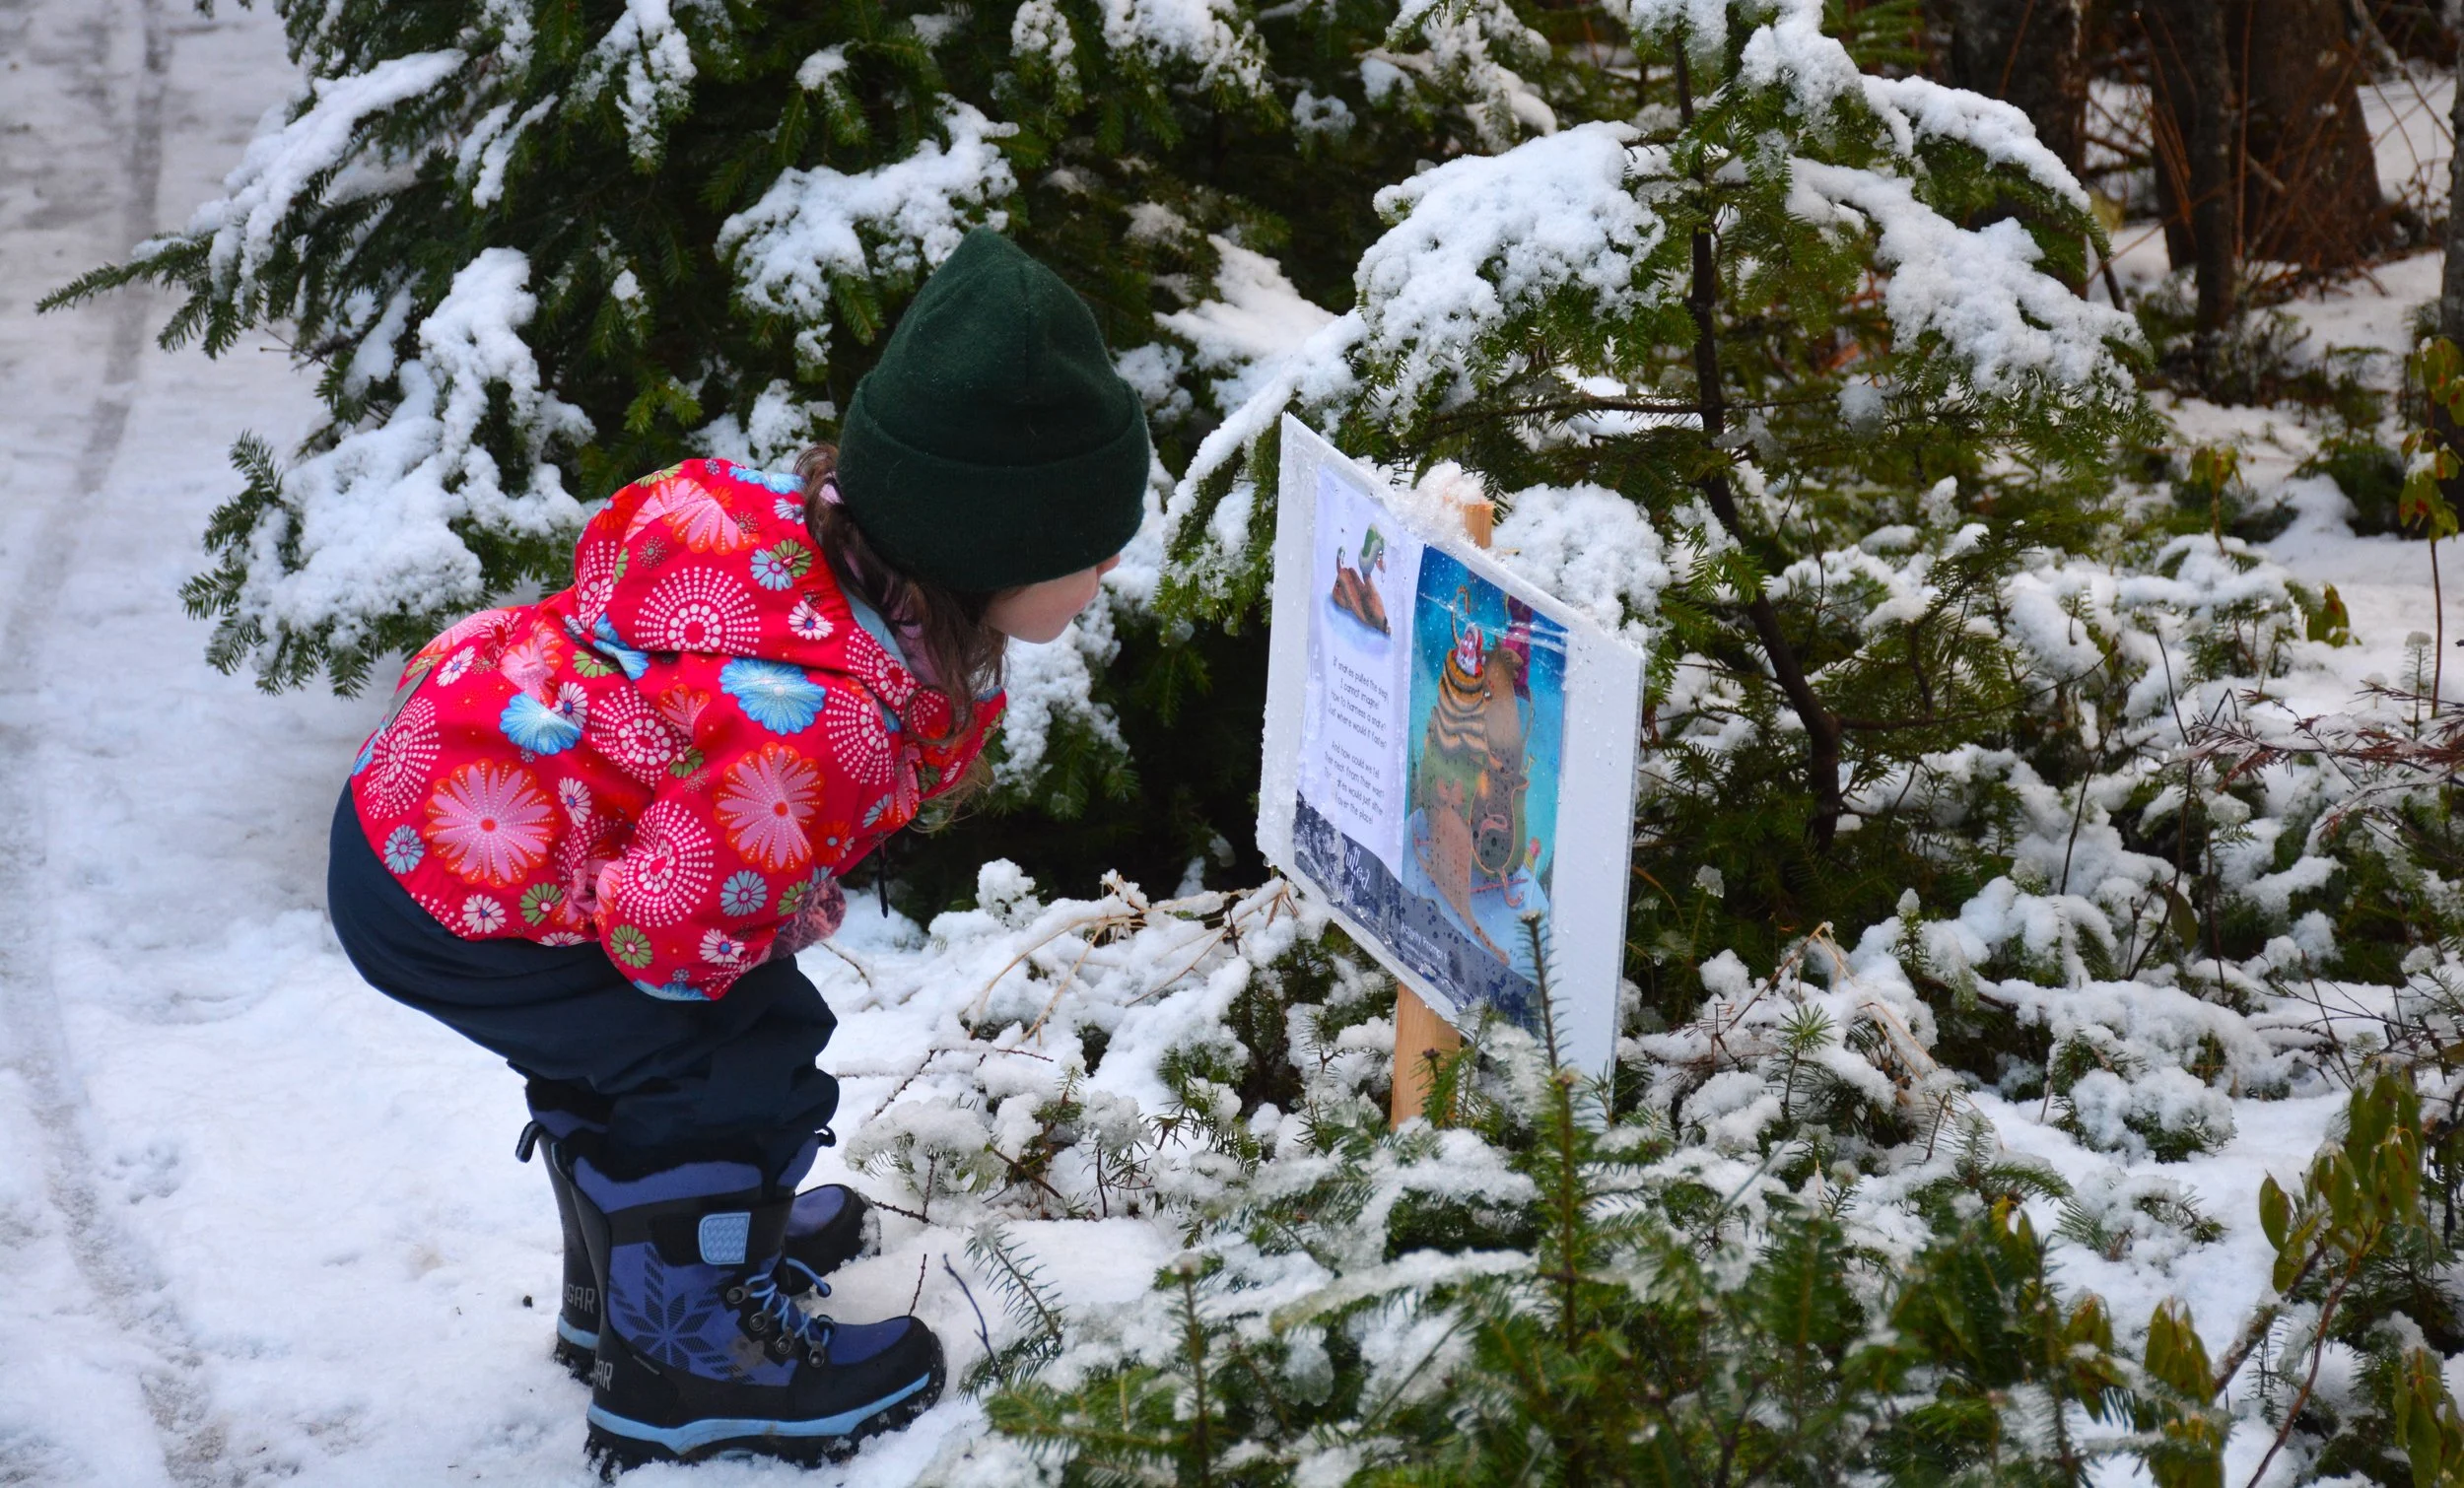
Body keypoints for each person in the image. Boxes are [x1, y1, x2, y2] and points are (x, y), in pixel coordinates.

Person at [324, 229, 1149, 1472]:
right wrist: (761, 929)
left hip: (429, 823)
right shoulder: (827, 728)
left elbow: (618, 571)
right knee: (733, 1056)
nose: (1108, 565)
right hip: (458, 888)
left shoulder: (774, 536)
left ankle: (642, 1273)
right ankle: (686, 1358)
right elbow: (662, 935)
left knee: (700, 1038)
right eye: (1088, 546)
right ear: (986, 547)